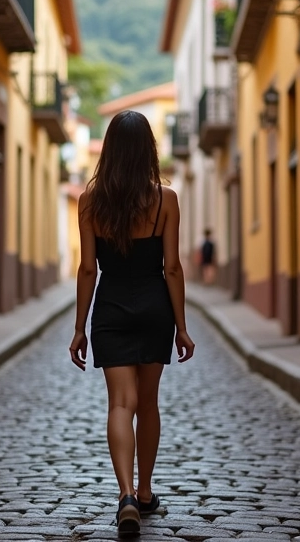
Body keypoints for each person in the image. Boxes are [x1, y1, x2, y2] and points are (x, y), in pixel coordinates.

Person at [69, 110, 195, 537]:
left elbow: (88, 269)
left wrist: (79, 328)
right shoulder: (166, 199)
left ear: (109, 150)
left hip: (111, 308)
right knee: (148, 404)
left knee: (119, 405)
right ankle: (144, 491)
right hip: (155, 306)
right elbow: (173, 268)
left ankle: (124, 496)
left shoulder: (90, 201)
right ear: (148, 151)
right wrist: (181, 325)